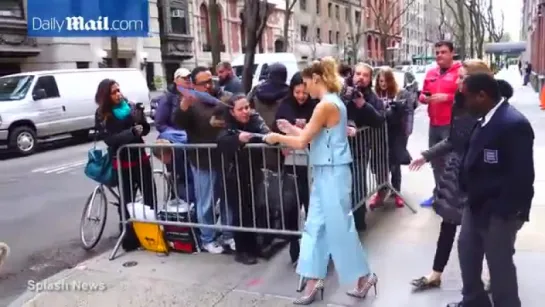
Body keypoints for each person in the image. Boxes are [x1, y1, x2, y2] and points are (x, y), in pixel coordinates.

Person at [263, 57, 378, 305]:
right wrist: (291, 132)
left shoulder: (326, 104)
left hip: (334, 172)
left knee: (339, 228)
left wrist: (276, 137)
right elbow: (315, 138)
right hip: (326, 171)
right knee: (314, 226)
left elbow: (303, 142)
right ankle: (314, 280)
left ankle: (363, 276)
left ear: (316, 79)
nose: (305, 89)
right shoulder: (329, 103)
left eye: (306, 83)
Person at [409, 60, 513, 292]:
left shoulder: (494, 109)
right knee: (448, 224)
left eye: (462, 76)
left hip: (481, 175)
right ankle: (436, 273)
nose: (457, 80)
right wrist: (425, 155)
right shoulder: (460, 102)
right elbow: (453, 140)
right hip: (456, 173)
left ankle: (490, 275)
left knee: (484, 228)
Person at [447, 73, 534, 307]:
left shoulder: (513, 124)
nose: (463, 102)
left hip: (499, 209)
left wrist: (504, 212)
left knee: (499, 264)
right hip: (476, 203)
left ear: (482, 96)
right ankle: (474, 300)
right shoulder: (483, 118)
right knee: (467, 251)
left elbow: (523, 176)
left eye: (466, 97)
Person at [173, 66, 234, 254]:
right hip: (202, 161)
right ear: (194, 85)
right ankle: (207, 238)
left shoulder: (222, 97)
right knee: (206, 202)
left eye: (210, 80)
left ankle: (228, 234)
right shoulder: (190, 103)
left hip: (224, 158)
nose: (209, 85)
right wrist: (184, 106)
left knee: (227, 201)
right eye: (204, 82)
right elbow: (178, 121)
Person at [94, 79, 155, 251]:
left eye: (119, 90)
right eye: (114, 92)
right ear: (106, 95)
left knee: (149, 195)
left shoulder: (130, 106)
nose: (118, 94)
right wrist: (131, 132)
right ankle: (129, 236)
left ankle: (153, 231)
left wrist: (141, 120)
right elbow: (109, 139)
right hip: (122, 162)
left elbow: (145, 129)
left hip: (140, 158)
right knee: (127, 200)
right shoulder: (102, 114)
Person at [216, 94, 270, 265]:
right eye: (241, 109)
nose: (245, 111)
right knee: (240, 213)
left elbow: (266, 133)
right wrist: (237, 139)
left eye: (247, 107)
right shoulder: (228, 125)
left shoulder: (254, 120)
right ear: (232, 112)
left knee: (254, 210)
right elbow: (221, 141)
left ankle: (254, 246)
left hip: (253, 172)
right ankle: (242, 250)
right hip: (234, 176)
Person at [274, 72, 317, 265]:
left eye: (304, 92)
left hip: (312, 164)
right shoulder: (285, 105)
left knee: (311, 206)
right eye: (297, 92)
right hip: (291, 164)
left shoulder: (315, 106)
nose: (301, 96)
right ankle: (294, 244)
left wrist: (299, 128)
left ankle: (313, 245)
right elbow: (278, 127)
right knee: (292, 205)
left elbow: (316, 131)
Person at [340, 62, 385, 230]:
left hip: (359, 149)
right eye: (358, 73)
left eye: (365, 75)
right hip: (339, 148)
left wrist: (363, 105)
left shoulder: (372, 97)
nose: (361, 78)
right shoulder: (343, 91)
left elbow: (379, 120)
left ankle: (359, 219)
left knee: (358, 184)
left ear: (370, 79)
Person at [418, 41, 462, 207]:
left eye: (443, 52)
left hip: (452, 124)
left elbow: (468, 96)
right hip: (434, 124)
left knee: (452, 163)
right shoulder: (430, 73)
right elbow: (422, 93)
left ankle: (454, 198)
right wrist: (423, 98)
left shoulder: (460, 72)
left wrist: (448, 98)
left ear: (452, 53)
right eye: (437, 52)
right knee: (435, 161)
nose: (439, 55)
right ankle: (439, 194)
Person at [368, 67, 414, 209]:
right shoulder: (374, 95)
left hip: (395, 134)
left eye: (386, 80)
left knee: (395, 164)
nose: (383, 83)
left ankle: (397, 192)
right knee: (380, 165)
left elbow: (408, 112)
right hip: (379, 135)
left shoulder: (399, 94)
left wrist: (407, 131)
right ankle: (382, 191)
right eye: (381, 80)